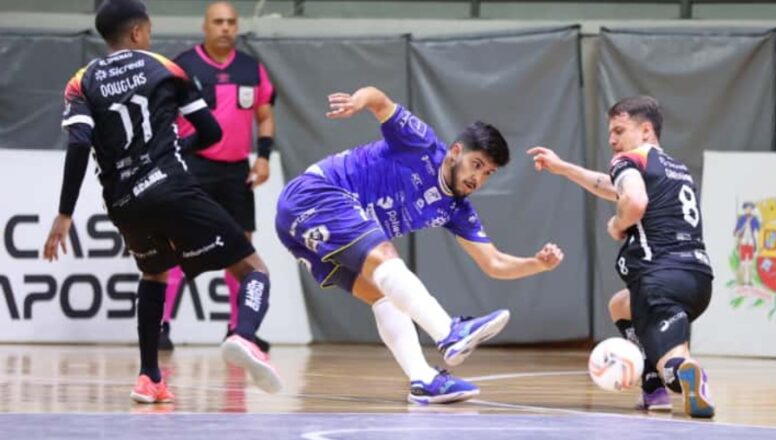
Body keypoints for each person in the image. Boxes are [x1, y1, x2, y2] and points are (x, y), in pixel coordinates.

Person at [43, 0, 281, 404]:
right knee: (255, 270)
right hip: (169, 185)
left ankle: (149, 378)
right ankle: (244, 336)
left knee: (153, 276)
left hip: (122, 202)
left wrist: (64, 213)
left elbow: (79, 145)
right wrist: (179, 143)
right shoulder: (165, 68)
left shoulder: (81, 81)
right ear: (137, 33)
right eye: (148, 29)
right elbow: (211, 133)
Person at [275, 86, 564, 404]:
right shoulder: (421, 144)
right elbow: (379, 99)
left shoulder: (457, 209)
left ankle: (422, 379)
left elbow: (493, 263)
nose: (478, 178)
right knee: (384, 256)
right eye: (476, 164)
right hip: (317, 192)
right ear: (455, 151)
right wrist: (359, 101)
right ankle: (448, 332)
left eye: (488, 173)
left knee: (383, 295)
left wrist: (536, 264)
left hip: (293, 229)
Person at [529, 96, 715, 418]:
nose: (613, 140)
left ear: (645, 130)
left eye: (619, 130)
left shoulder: (628, 161)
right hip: (698, 279)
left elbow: (634, 200)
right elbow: (609, 186)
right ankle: (653, 388)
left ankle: (682, 371)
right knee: (620, 305)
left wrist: (617, 224)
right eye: (610, 133)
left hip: (660, 279)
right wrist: (563, 168)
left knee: (674, 358)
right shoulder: (676, 169)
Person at [159, 0, 276, 352]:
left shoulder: (252, 69)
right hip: (194, 167)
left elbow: (265, 116)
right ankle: (161, 326)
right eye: (218, 22)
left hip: (236, 172)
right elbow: (163, 115)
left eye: (231, 22)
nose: (225, 28)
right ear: (205, 27)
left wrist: (264, 158)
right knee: (177, 250)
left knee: (240, 250)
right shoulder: (182, 66)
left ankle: (240, 330)